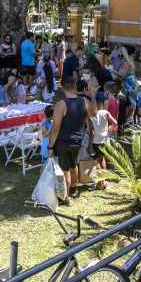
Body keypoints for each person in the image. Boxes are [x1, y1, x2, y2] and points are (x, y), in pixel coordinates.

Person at [47, 76, 96, 206]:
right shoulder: (84, 102)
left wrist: (50, 147)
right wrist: (93, 97)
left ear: (62, 88)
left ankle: (65, 197)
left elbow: (55, 128)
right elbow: (93, 114)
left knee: (65, 170)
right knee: (73, 164)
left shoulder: (61, 104)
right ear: (75, 87)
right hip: (78, 141)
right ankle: (74, 186)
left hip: (63, 142)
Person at [88, 96, 117, 191]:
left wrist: (90, 146)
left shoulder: (91, 116)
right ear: (101, 105)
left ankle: (99, 184)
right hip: (105, 140)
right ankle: (103, 181)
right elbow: (115, 122)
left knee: (96, 162)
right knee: (103, 159)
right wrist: (111, 127)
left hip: (95, 141)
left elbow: (90, 131)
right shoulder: (106, 112)